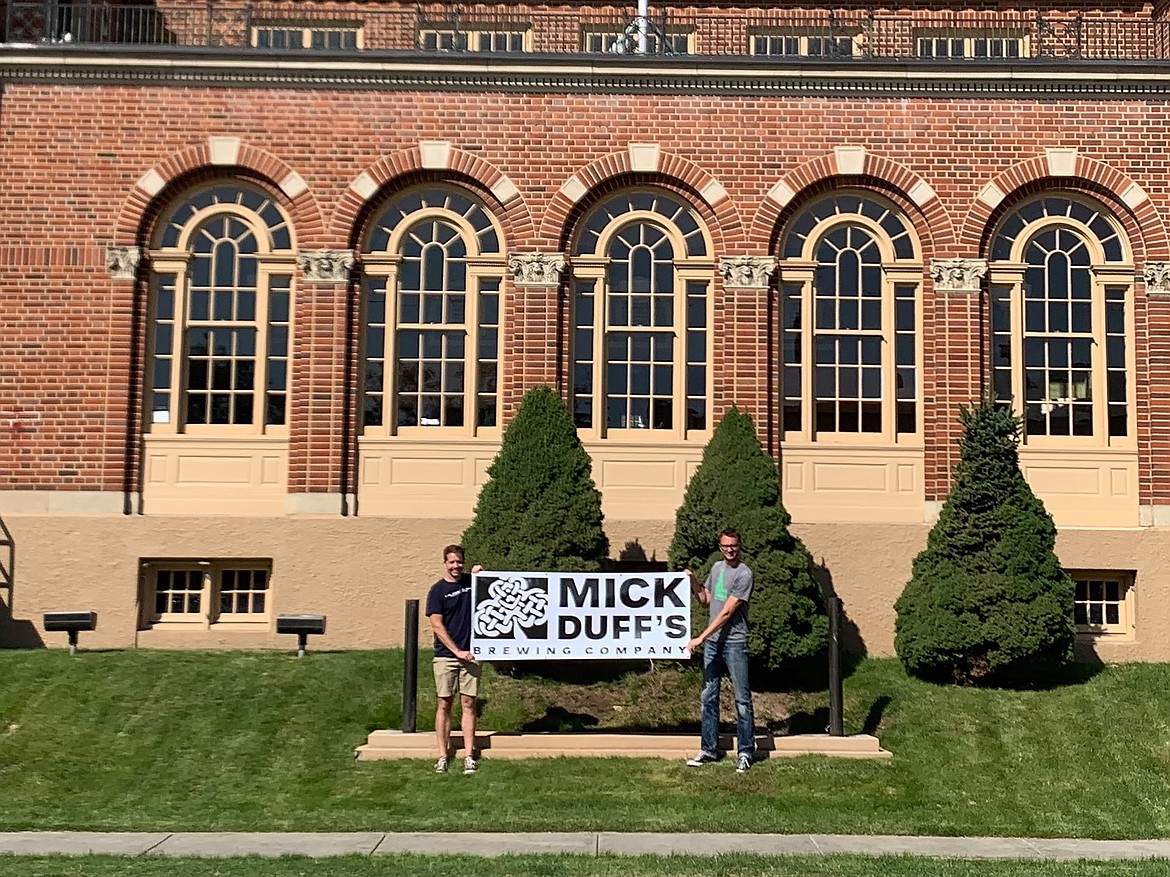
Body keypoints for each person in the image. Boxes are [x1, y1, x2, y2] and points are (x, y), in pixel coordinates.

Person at [684, 528, 756, 773]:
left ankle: (745, 752)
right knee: (708, 697)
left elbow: (726, 612)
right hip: (713, 644)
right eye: (725, 546)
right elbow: (706, 600)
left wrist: (700, 637)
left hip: (734, 643)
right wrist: (692, 580)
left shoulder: (744, 574)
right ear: (720, 546)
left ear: (740, 545)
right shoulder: (716, 569)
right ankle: (709, 749)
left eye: (733, 545)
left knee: (742, 700)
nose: (729, 550)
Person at [425, 544, 482, 775]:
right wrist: (456, 651)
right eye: (451, 562)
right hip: (445, 656)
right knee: (444, 703)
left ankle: (469, 755)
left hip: (472, 655)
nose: (456, 566)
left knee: (469, 703)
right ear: (445, 563)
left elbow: (494, 587)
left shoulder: (472, 583)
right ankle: (442, 755)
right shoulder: (437, 591)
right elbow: (436, 624)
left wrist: (481, 574)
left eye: (459, 562)